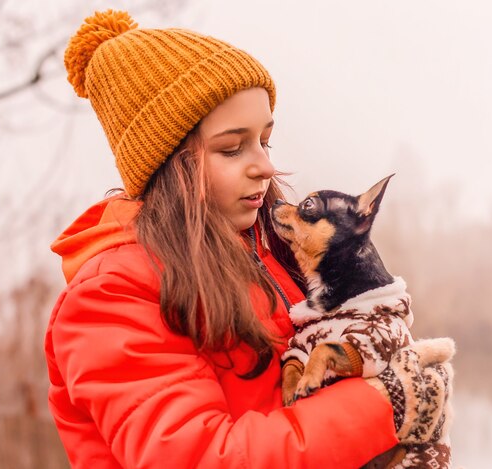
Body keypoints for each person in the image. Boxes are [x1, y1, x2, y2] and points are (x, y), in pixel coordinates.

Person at [45, 9, 452, 469]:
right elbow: (200, 458)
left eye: (265, 141)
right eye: (232, 148)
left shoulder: (263, 251)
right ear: (166, 165)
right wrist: (385, 404)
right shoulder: (111, 296)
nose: (265, 165)